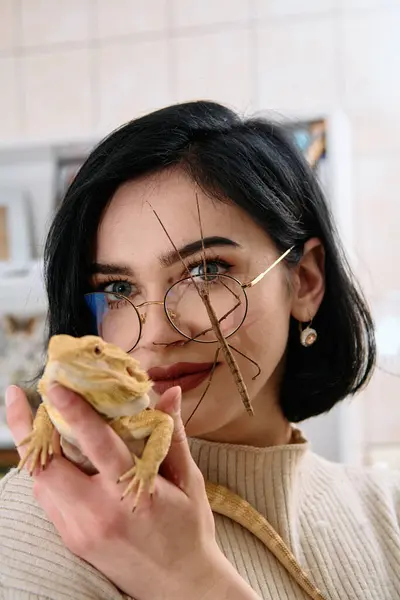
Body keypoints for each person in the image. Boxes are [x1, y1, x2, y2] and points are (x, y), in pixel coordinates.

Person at [1, 100, 399, 600]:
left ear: (305, 281)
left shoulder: (389, 510)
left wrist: (192, 581)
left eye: (206, 271)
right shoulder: (50, 520)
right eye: (119, 289)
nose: (158, 335)